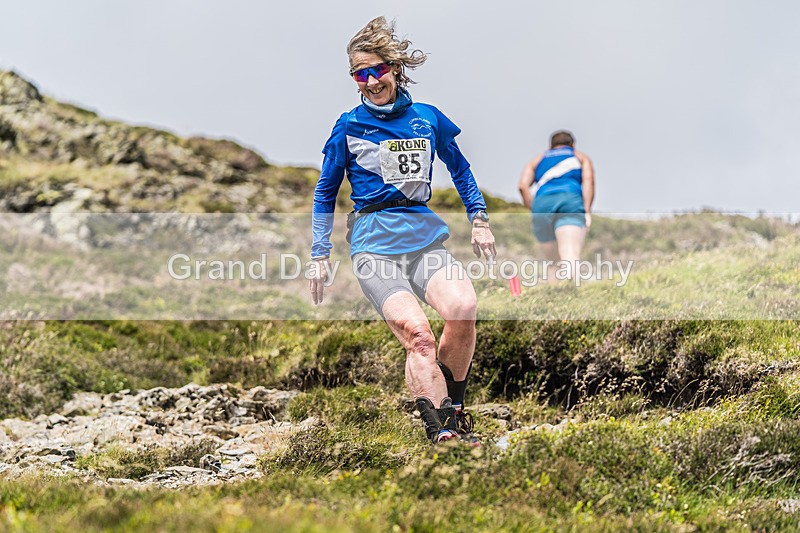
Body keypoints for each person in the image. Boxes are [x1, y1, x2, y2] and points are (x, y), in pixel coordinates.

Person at [308, 17, 496, 444]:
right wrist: (320, 254)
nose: (371, 81)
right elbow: (324, 194)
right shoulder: (348, 126)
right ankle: (441, 431)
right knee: (419, 336)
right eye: (360, 74)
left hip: (423, 236)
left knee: (463, 310)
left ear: (394, 69)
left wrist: (479, 220)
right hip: (374, 245)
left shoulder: (427, 118)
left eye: (378, 70)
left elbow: (461, 170)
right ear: (354, 79)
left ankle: (455, 411)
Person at [518, 130, 595, 279]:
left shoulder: (538, 159)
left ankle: (553, 295)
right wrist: (587, 211)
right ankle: (573, 293)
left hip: (541, 204)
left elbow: (523, 186)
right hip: (569, 201)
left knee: (551, 261)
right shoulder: (579, 157)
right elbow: (588, 181)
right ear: (572, 145)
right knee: (570, 252)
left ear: (550, 146)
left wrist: (534, 209)